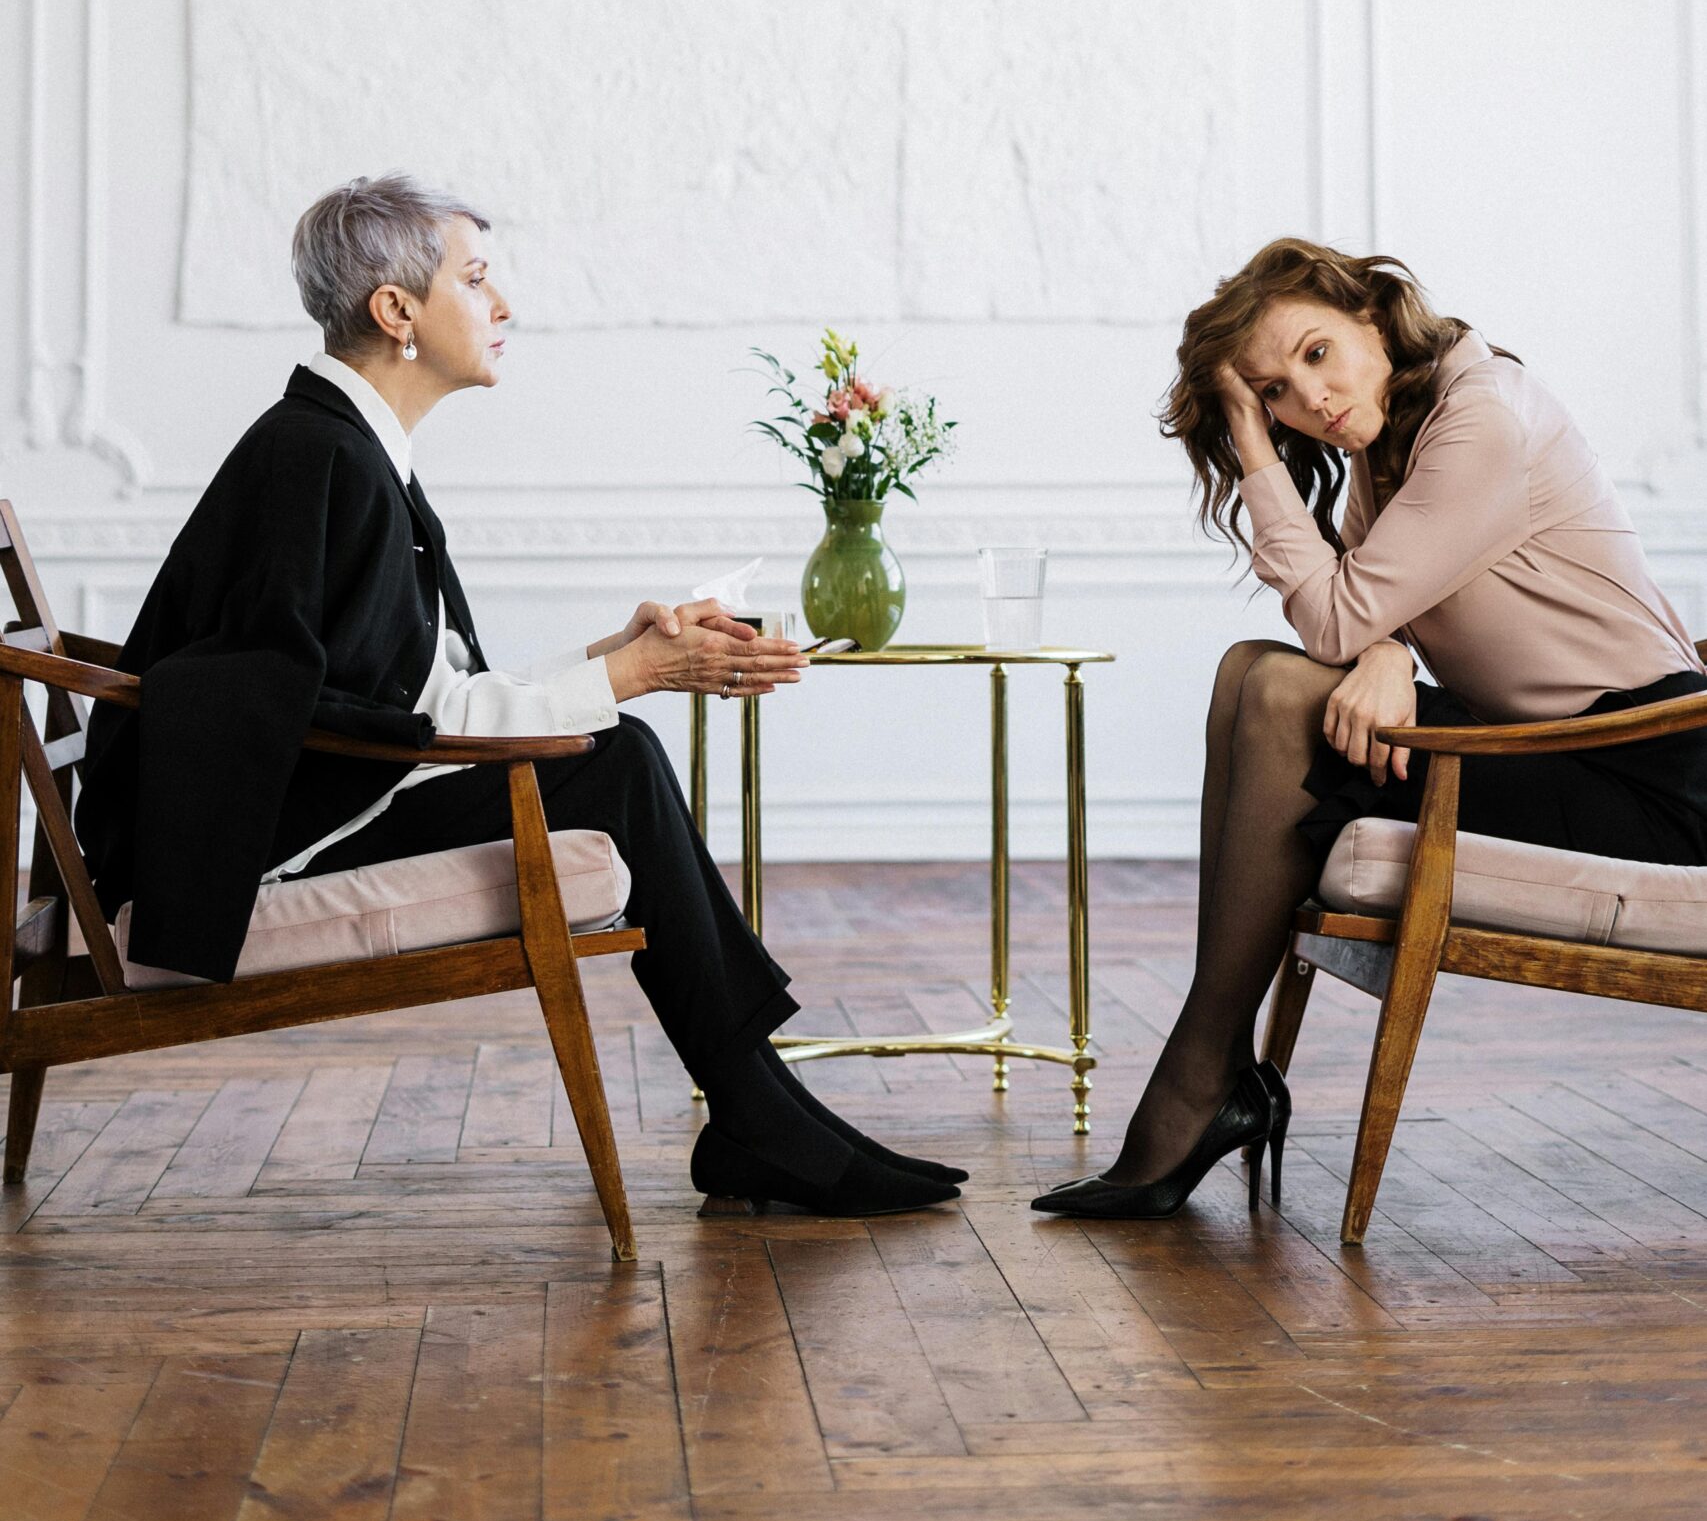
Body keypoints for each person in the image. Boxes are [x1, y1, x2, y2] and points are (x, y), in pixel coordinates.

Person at [76, 173, 962, 1218]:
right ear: (396, 311)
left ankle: (758, 1108)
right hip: (252, 850)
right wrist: (626, 679)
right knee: (620, 751)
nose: (503, 306)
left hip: (301, 805)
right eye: (477, 278)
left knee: (616, 746)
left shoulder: (344, 449)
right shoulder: (324, 458)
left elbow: (420, 698)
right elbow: (385, 733)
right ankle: (758, 1112)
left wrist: (616, 654)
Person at [1033, 237, 1707, 1222]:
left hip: (1647, 777)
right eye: (1268, 392)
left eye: (1315, 353)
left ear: (1374, 311)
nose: (1306, 398)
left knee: (1277, 694)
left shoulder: (1483, 417)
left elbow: (1341, 614)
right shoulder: (1391, 452)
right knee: (1249, 672)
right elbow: (1372, 618)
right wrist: (1388, 653)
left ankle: (1201, 1076)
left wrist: (1255, 454)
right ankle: (1209, 1069)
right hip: (1552, 750)